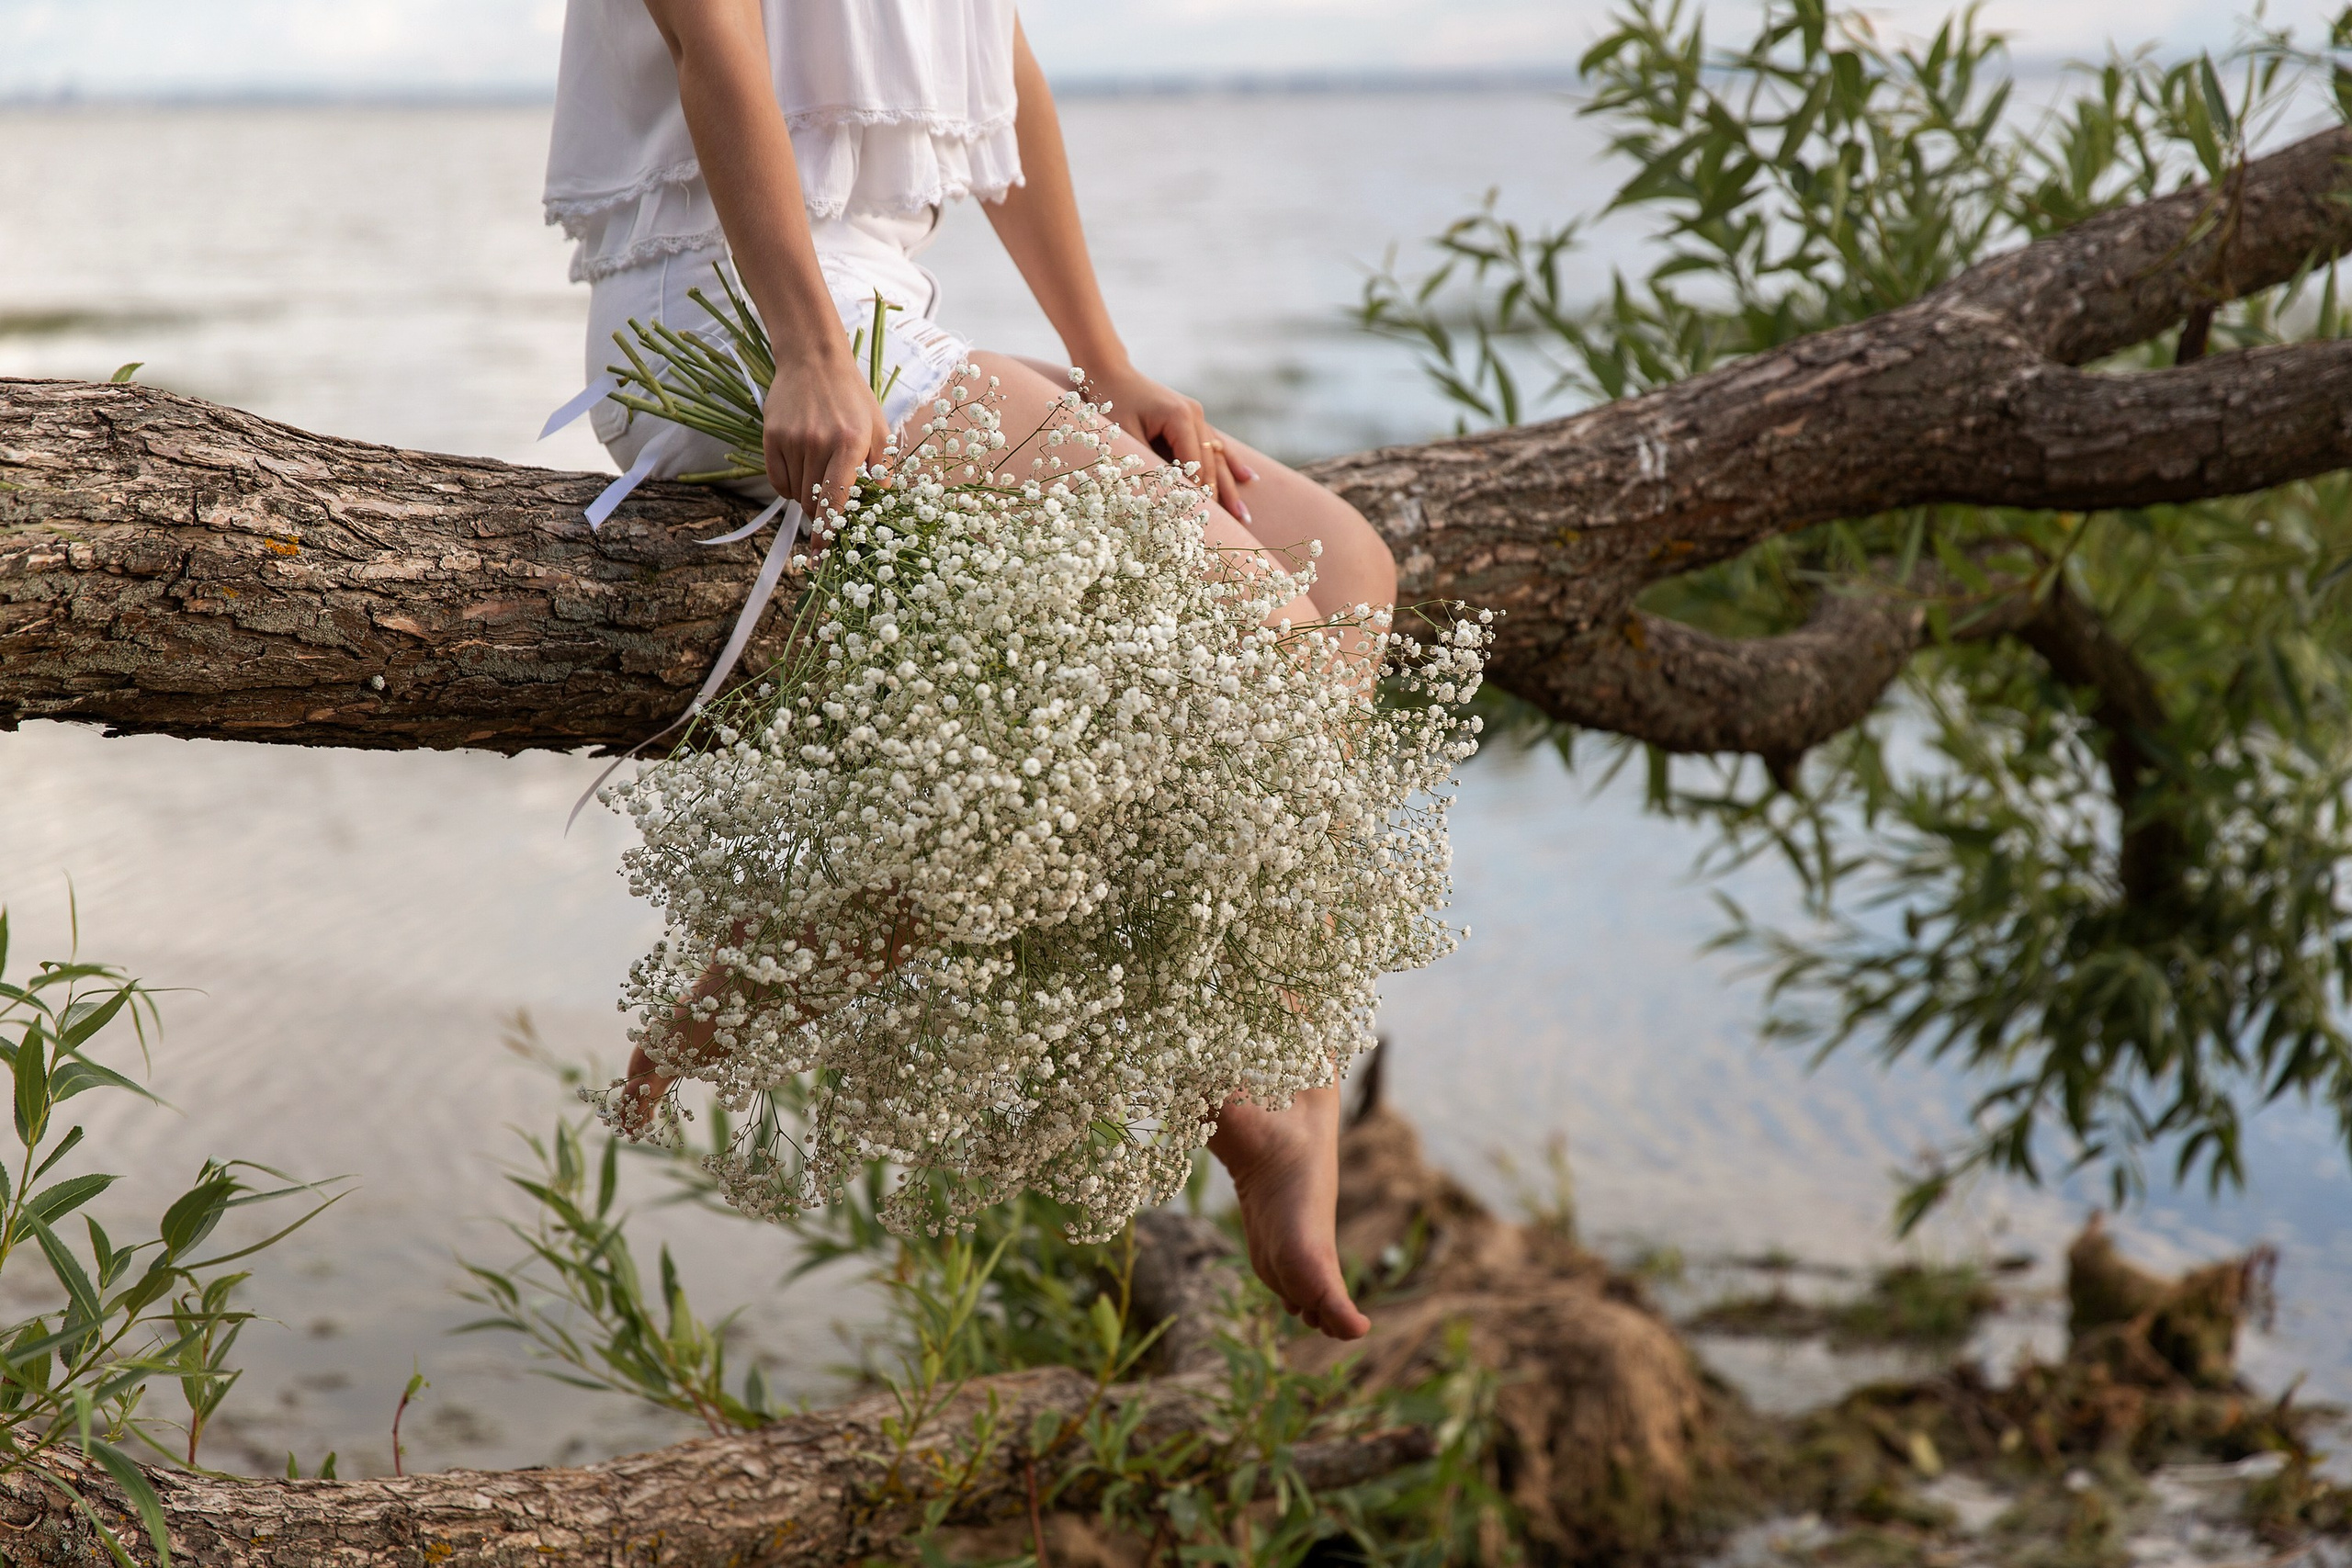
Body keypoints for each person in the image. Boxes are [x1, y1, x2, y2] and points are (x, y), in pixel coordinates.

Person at [545, 0, 1395, 1340]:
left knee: (1341, 569)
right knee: (1255, 630)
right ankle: (1271, 1081)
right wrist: (813, 349)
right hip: (732, 307)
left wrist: (1107, 367)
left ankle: (854, 921)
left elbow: (1007, 73)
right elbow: (718, 49)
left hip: (886, 312)